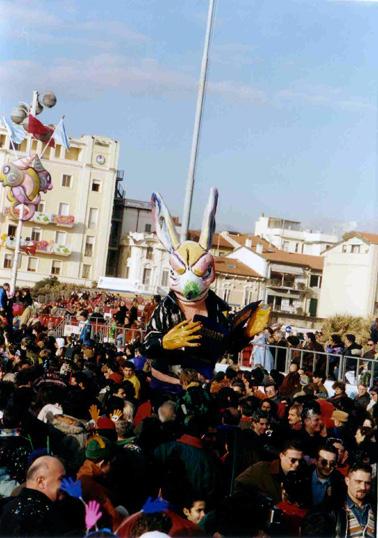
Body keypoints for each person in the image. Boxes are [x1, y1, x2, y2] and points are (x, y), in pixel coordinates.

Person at [0, 455, 65, 536]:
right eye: (61, 479)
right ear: (41, 481)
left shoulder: (6, 507)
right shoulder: (44, 518)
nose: (65, 484)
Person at [234, 439, 304, 503]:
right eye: (293, 460)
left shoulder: (301, 475)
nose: (297, 464)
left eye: (300, 461)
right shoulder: (262, 468)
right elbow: (238, 484)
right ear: (281, 456)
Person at [332, 463, 376, 538]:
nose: (363, 487)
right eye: (358, 481)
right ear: (347, 481)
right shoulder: (334, 510)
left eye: (367, 483)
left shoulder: (375, 509)